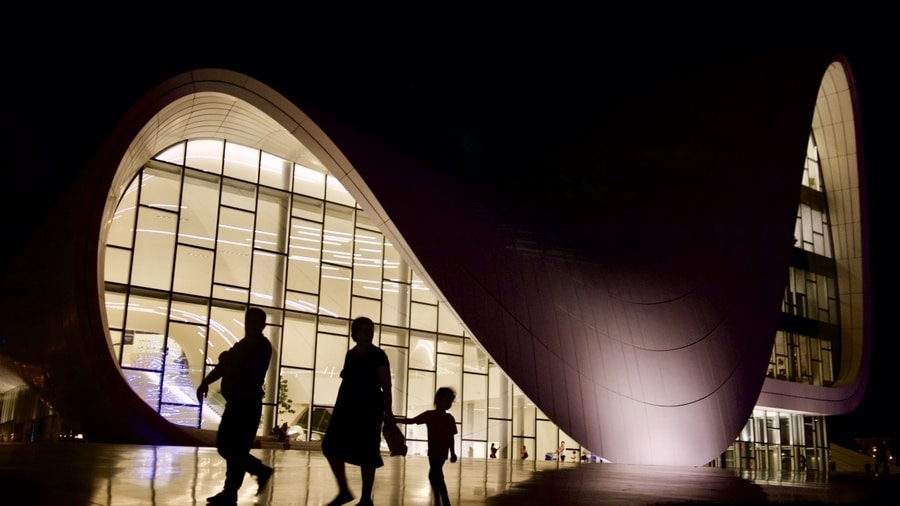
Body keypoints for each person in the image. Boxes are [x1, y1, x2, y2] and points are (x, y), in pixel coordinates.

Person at [196, 307, 274, 506]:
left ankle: (239, 484)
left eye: (256, 322)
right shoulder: (242, 345)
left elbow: (240, 365)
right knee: (230, 448)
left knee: (231, 448)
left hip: (247, 404)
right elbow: (226, 365)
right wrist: (206, 381)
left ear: (263, 325)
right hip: (238, 403)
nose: (252, 325)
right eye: (249, 321)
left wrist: (227, 359)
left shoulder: (262, 347)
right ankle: (234, 489)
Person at [320, 316, 394, 506]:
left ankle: (364, 497)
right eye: (365, 331)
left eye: (371, 331)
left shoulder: (378, 355)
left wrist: (388, 413)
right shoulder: (351, 354)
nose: (369, 334)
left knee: (367, 452)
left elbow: (386, 385)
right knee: (331, 445)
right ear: (355, 334)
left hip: (368, 409)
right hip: (348, 407)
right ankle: (346, 491)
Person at [396, 387, 458, 506]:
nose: (449, 403)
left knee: (436, 473)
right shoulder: (445, 418)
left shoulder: (434, 416)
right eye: (448, 400)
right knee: (435, 473)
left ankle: (443, 499)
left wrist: (453, 452)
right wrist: (452, 452)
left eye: (451, 401)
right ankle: (441, 499)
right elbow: (412, 421)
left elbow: (412, 421)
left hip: (438, 451)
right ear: (438, 399)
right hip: (436, 451)